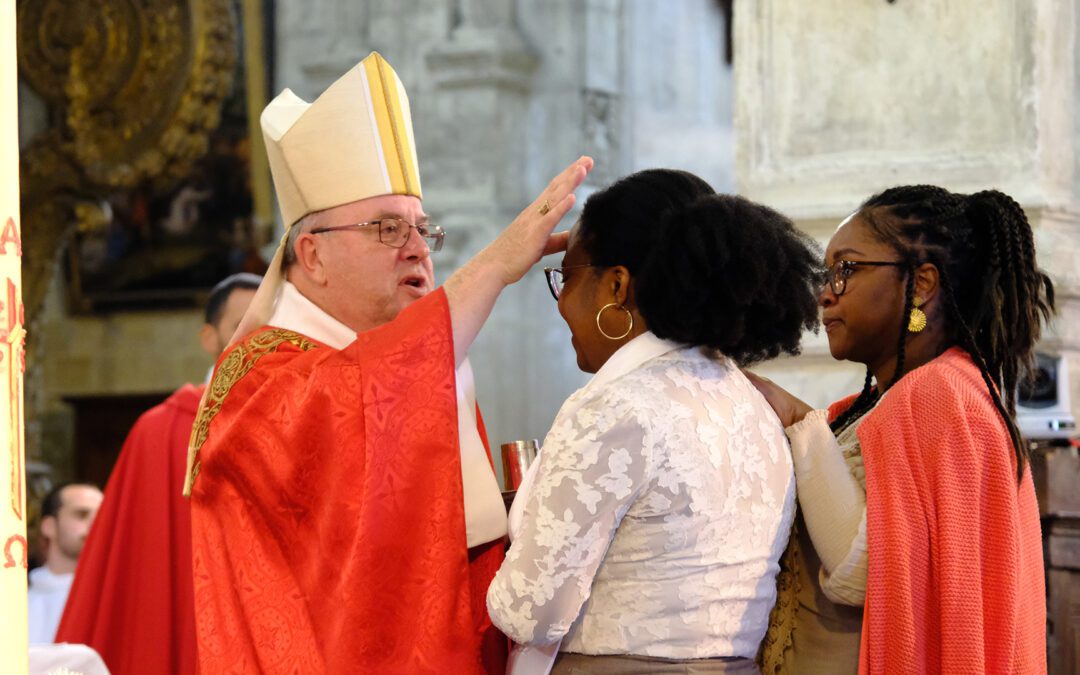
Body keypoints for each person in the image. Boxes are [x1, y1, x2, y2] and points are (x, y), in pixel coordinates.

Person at [182, 51, 592, 673]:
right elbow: (352, 401)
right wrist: (496, 266)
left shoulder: (413, 362)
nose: (418, 250)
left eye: (422, 229)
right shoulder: (258, 380)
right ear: (312, 255)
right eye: (387, 229)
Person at [486, 169, 822, 674]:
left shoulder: (618, 408)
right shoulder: (752, 405)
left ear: (616, 285)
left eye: (566, 277)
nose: (562, 302)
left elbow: (530, 613)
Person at [749, 186, 1051, 673]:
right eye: (827, 273)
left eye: (846, 269)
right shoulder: (897, 399)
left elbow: (860, 571)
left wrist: (798, 420)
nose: (826, 292)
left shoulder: (939, 394)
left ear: (922, 284)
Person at [54, 274, 259, 674]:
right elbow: (137, 568)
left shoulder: (307, 421)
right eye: (243, 326)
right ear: (209, 337)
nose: (260, 339)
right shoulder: (160, 432)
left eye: (273, 325)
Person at [28, 482, 103, 643]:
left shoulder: (109, 600)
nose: (96, 524)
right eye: (82, 514)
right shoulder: (14, 601)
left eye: (102, 516)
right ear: (49, 526)